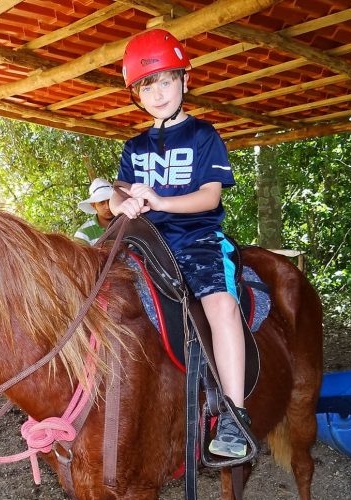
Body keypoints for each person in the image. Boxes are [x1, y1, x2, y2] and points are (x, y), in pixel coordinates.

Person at [109, 29, 250, 459]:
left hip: (198, 238)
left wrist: (160, 199)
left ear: (185, 81)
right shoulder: (134, 146)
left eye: (166, 80)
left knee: (220, 305)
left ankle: (234, 415)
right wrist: (120, 201)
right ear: (138, 95)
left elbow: (211, 196)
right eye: (147, 85)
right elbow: (119, 189)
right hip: (147, 243)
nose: (158, 92)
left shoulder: (205, 135)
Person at [74, 177, 115, 245]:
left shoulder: (128, 223)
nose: (107, 207)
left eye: (110, 201)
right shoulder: (83, 233)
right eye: (101, 203)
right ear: (93, 205)